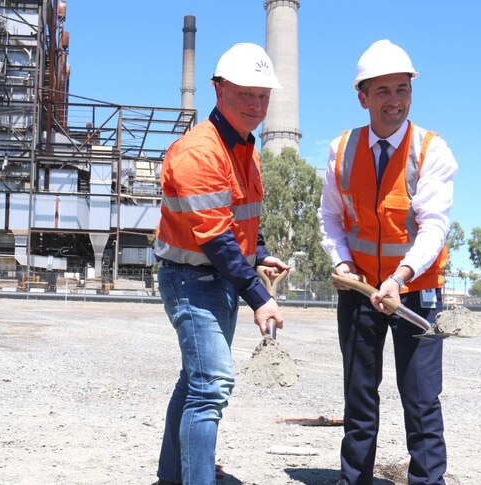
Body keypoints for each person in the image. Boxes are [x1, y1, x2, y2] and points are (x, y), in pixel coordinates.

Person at [318, 39, 458, 485]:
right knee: (359, 399)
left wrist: (399, 277)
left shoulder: (430, 150)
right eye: (383, 91)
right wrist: (341, 262)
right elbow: (330, 217)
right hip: (360, 294)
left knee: (420, 400)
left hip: (416, 294)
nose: (394, 101)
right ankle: (353, 479)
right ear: (363, 97)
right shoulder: (341, 149)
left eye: (402, 89)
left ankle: (426, 481)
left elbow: (434, 226)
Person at [153, 42, 290, 485]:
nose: (256, 105)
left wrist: (261, 251)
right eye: (245, 94)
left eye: (263, 96)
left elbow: (243, 215)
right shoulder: (199, 152)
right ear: (218, 90)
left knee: (195, 382)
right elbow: (213, 236)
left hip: (218, 280)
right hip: (191, 281)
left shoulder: (244, 148)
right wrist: (259, 297)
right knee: (210, 386)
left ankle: (172, 476)